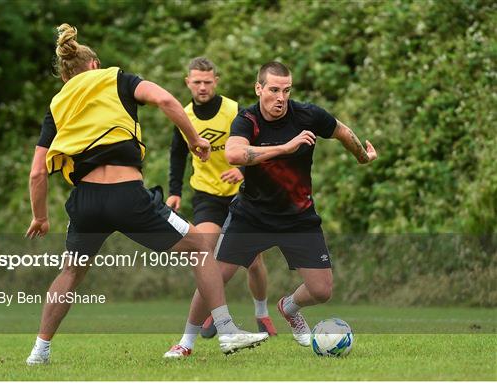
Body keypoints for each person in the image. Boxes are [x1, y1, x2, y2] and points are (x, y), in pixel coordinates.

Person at [25, 24, 267, 365]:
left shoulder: (59, 103)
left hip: (86, 202)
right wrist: (194, 139)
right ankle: (227, 331)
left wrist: (40, 216)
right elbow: (165, 100)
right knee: (200, 246)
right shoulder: (115, 78)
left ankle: (39, 352)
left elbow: (37, 171)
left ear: (67, 77)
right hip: (126, 196)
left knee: (70, 273)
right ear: (94, 65)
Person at [165, 61, 377, 356]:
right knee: (214, 277)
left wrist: (361, 156)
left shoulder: (307, 114)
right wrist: (285, 148)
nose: (281, 97)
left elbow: (341, 130)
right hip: (251, 217)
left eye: (286, 90)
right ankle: (185, 343)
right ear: (259, 88)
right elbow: (235, 153)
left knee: (321, 290)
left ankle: (289, 308)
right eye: (274, 90)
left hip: (299, 216)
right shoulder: (247, 119)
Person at [164, 57, 277, 343]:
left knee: (253, 262)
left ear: (216, 81)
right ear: (187, 82)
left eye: (207, 81)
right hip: (206, 195)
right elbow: (177, 153)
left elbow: (256, 146)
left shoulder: (233, 110)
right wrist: (174, 191)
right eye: (196, 82)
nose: (202, 87)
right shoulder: (184, 114)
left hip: (242, 193)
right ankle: (215, 312)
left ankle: (261, 312)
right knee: (205, 251)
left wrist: (241, 170)